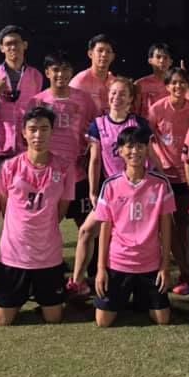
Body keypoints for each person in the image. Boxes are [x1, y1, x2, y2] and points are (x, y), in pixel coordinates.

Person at [0, 106, 75, 326]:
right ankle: (17, 297)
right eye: (33, 129)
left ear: (52, 132)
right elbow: (3, 206)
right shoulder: (9, 166)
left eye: (44, 129)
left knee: (54, 318)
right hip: (14, 254)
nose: (38, 135)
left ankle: (44, 298)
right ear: (24, 133)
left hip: (47, 254)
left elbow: (61, 211)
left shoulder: (65, 168)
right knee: (3, 320)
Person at [70, 78, 152, 292]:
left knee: (141, 237)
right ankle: (77, 282)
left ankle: (147, 281)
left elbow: (150, 157)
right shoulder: (98, 125)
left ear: (131, 99)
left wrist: (156, 182)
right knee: (87, 231)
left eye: (122, 94)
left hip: (138, 191)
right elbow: (95, 160)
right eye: (113, 93)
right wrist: (93, 191)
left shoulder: (139, 124)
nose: (117, 98)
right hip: (112, 191)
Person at [93, 126, 174, 327]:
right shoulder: (110, 185)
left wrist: (164, 267)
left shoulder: (160, 183)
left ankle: (140, 297)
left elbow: (166, 228)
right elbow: (105, 229)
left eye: (140, 146)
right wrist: (101, 269)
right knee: (103, 321)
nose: (134, 152)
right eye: (129, 147)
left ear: (147, 149)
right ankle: (127, 296)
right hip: (119, 262)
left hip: (150, 263)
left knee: (162, 319)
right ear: (119, 151)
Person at [29, 51, 99, 284]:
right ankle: (45, 273)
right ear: (47, 72)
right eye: (55, 69)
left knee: (88, 228)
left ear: (71, 71)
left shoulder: (84, 99)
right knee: (45, 226)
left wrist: (89, 152)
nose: (60, 74)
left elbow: (94, 131)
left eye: (65, 69)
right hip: (49, 177)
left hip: (78, 174)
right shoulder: (37, 101)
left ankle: (92, 276)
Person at [148, 68, 189, 295]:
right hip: (164, 176)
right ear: (167, 86)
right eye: (174, 83)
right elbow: (149, 138)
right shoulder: (157, 109)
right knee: (169, 227)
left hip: (187, 176)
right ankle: (185, 272)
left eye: (182, 83)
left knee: (186, 226)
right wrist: (157, 164)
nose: (178, 87)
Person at [0, 25, 44, 171]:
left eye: (17, 43)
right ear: (1, 48)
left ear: (25, 45)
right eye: (8, 44)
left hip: (26, 146)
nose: (13, 47)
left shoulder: (36, 76)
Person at [70, 33, 118, 115]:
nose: (104, 55)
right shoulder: (80, 81)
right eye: (100, 50)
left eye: (108, 51)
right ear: (90, 54)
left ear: (113, 57)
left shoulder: (115, 83)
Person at [135, 42, 174, 117]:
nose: (162, 60)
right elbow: (135, 111)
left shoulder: (176, 85)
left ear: (171, 62)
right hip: (146, 127)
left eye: (165, 57)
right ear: (150, 60)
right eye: (158, 57)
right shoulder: (140, 84)